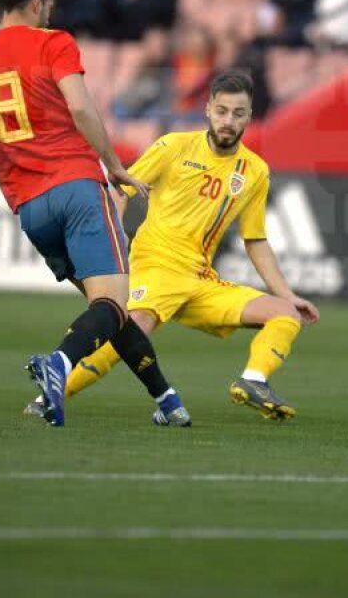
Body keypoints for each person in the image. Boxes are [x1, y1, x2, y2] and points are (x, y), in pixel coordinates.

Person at [0, 0, 191, 428]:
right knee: (111, 304)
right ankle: (59, 364)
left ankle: (167, 400)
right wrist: (114, 165)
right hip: (75, 188)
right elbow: (81, 108)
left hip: (31, 210)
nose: (49, 13)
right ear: (35, 2)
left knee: (107, 311)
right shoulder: (55, 43)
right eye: (47, 5)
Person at [28, 72, 320, 421]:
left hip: (201, 281)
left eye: (238, 113)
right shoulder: (174, 147)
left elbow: (255, 240)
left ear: (249, 115)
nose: (229, 121)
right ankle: (48, 399)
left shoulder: (255, 171)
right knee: (125, 332)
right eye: (222, 111)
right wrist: (111, 244)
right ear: (208, 109)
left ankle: (253, 381)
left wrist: (287, 293)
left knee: (285, 314)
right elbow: (120, 191)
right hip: (157, 270)